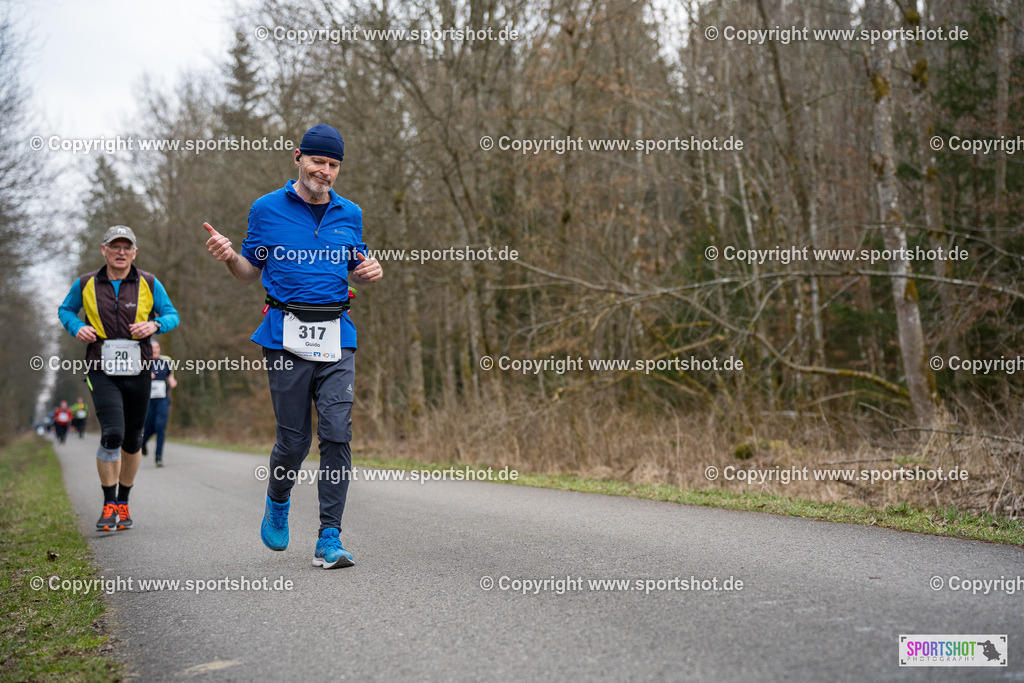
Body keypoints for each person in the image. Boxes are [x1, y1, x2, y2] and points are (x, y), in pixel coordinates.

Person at [204, 123, 383, 569]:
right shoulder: (266, 209)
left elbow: (355, 264)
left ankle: (329, 536)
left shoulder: (350, 214)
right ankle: (278, 498)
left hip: (336, 333)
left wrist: (366, 272)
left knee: (337, 432)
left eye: (334, 165)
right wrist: (229, 257)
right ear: (298, 158)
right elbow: (250, 272)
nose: (325, 171)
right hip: (285, 335)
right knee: (294, 440)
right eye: (318, 161)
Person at [58, 225, 180, 532]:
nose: (121, 252)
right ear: (104, 250)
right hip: (101, 367)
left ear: (135, 252)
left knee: (132, 439)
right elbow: (65, 310)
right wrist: (77, 328)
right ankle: (108, 503)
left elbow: (171, 315)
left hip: (139, 367)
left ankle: (123, 502)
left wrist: (155, 326)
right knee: (112, 432)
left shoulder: (149, 282)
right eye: (115, 246)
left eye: (127, 247)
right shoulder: (85, 283)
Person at [141, 340, 177, 466]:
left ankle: (158, 457)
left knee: (160, 427)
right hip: (148, 401)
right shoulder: (143, 361)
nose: (155, 350)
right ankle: (142, 442)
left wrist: (172, 381)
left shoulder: (166, 360)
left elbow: (170, 375)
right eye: (152, 348)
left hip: (162, 399)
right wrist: (145, 376)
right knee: (149, 427)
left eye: (157, 347)